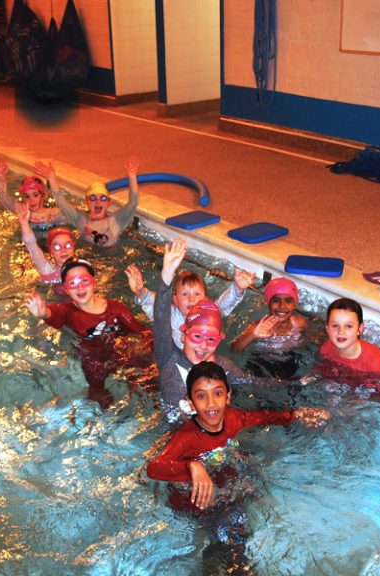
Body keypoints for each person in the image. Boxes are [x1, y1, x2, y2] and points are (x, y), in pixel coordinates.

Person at [146, 362, 329, 572]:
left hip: (223, 483)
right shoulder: (187, 437)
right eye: (201, 396)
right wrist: (192, 467)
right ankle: (226, 561)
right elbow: (154, 468)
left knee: (248, 490)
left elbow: (259, 417)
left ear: (228, 396)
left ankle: (229, 556)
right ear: (190, 402)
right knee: (228, 534)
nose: (211, 403)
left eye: (217, 393)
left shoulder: (232, 418)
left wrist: (294, 415)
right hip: (193, 501)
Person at [25, 258, 151, 408]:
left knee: (149, 381)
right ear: (65, 289)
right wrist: (41, 313)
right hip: (95, 362)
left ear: (94, 282)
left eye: (84, 280)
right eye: (73, 283)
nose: (80, 288)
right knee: (100, 394)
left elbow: (143, 333)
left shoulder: (115, 308)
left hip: (123, 352)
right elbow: (51, 313)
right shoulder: (68, 312)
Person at [152, 238, 246, 424]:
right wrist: (167, 274)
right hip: (173, 435)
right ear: (183, 333)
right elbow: (161, 317)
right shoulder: (169, 357)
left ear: (220, 339)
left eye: (211, 339)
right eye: (196, 336)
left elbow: (255, 384)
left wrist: (299, 386)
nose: (203, 346)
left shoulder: (224, 366)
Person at [125, 262, 254, 350]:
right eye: (185, 294)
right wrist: (140, 291)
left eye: (197, 294)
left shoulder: (208, 315)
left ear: (206, 299)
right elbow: (155, 302)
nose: (192, 299)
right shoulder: (170, 315)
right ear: (175, 299)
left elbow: (224, 304)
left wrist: (237, 288)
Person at [314, 297, 380, 405]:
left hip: (367, 390)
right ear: (327, 328)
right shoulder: (326, 348)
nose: (341, 332)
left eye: (348, 326)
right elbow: (321, 372)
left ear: (360, 329)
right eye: (335, 326)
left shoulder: (374, 360)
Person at [41, 157, 139, 248]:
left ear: (109, 203)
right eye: (93, 198)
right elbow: (61, 201)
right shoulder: (80, 219)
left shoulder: (116, 219)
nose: (98, 202)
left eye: (103, 198)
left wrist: (132, 176)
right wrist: (51, 177)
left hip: (112, 258)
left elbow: (133, 202)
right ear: (86, 202)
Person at [231, 277, 309, 379]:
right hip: (261, 363)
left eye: (288, 301)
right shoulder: (257, 327)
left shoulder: (299, 323)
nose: (282, 306)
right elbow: (235, 350)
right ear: (268, 303)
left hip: (289, 362)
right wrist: (253, 335)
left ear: (294, 305)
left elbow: (312, 338)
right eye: (276, 300)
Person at [0, 157, 69, 241]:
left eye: (35, 195)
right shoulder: (22, 211)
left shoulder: (54, 214)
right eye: (27, 196)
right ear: (23, 198)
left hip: (50, 247)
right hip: (26, 247)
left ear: (44, 196)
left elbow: (73, 215)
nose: (31, 200)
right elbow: (5, 200)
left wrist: (52, 178)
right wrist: (1, 179)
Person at [15, 202, 76, 296]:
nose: (63, 250)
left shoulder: (82, 267)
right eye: (57, 247)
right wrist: (24, 224)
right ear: (50, 250)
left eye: (67, 245)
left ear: (74, 247)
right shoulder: (47, 270)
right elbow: (31, 245)